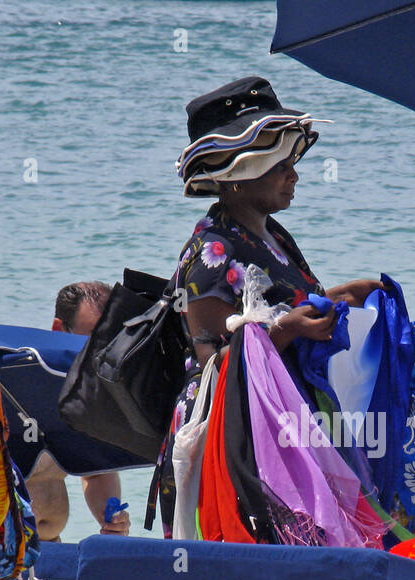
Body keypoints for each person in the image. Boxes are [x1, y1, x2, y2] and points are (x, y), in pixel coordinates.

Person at [158, 77, 382, 531]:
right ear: (241, 174)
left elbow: (288, 304)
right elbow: (213, 363)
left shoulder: (272, 234)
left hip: (286, 418)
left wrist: (343, 296)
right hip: (235, 437)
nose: (294, 175)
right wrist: (291, 330)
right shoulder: (210, 252)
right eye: (281, 164)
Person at [27, 281, 130, 540]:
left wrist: (110, 521)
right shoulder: (21, 384)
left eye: (109, 341)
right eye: (91, 340)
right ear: (58, 329)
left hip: (53, 543)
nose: (101, 353)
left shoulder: (87, 394)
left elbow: (95, 473)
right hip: (4, 554)